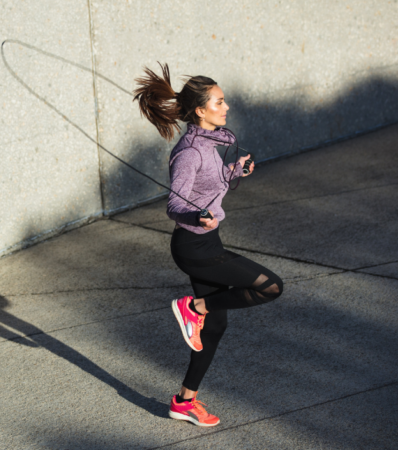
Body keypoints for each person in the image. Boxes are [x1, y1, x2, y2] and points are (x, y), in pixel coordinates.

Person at [133, 63, 284, 427]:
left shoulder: (215, 141)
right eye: (219, 101)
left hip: (206, 242)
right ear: (201, 110)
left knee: (215, 329)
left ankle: (184, 401)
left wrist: (234, 172)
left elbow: (209, 183)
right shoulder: (188, 152)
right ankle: (194, 306)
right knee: (270, 286)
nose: (226, 106)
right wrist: (196, 216)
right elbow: (175, 203)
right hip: (195, 248)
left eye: (224, 100)